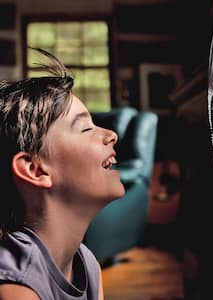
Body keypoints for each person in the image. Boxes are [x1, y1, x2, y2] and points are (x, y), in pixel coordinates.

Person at [0, 48, 125, 299]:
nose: (111, 135)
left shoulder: (88, 265)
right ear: (35, 170)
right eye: (85, 128)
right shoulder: (17, 284)